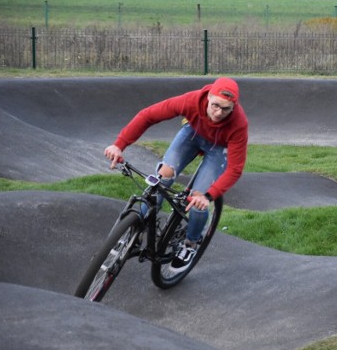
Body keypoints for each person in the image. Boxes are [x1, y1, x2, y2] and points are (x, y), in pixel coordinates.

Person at [104, 77, 248, 272]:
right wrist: (119, 145)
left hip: (218, 149)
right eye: (215, 105)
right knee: (162, 178)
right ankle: (135, 230)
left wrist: (209, 196)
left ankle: (190, 244)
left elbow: (235, 168)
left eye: (226, 109)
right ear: (208, 97)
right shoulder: (191, 100)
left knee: (197, 200)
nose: (219, 113)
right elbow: (148, 115)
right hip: (193, 134)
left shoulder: (239, 123)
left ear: (234, 107)